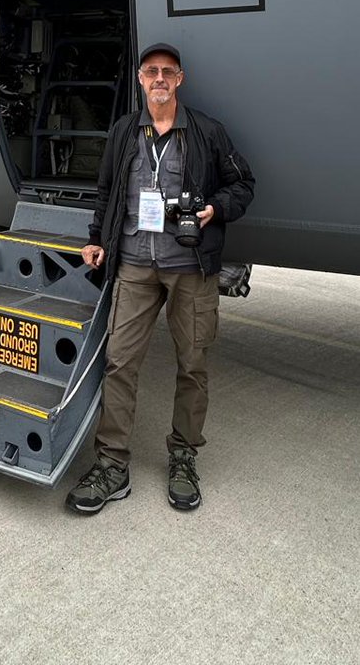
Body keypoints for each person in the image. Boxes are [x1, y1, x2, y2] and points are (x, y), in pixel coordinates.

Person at [66, 43, 255, 516]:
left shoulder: (207, 132)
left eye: (168, 72)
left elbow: (243, 184)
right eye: (151, 71)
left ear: (180, 79)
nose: (159, 79)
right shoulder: (125, 132)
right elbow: (107, 190)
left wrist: (216, 209)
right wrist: (97, 238)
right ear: (140, 78)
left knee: (193, 366)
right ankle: (112, 464)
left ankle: (184, 457)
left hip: (190, 268)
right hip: (132, 264)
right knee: (119, 362)